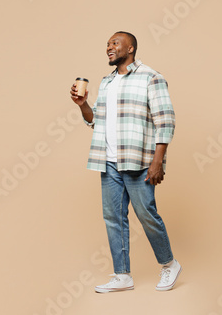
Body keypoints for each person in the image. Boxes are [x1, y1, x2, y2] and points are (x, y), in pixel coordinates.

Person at [70, 31, 181, 293]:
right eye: (107, 44)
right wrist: (83, 104)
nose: (109, 47)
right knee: (114, 218)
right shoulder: (107, 82)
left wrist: (157, 162)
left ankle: (169, 264)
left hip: (139, 160)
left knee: (146, 214)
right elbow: (96, 120)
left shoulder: (151, 78)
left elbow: (165, 120)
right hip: (108, 162)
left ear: (130, 48)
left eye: (114, 44)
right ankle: (122, 275)